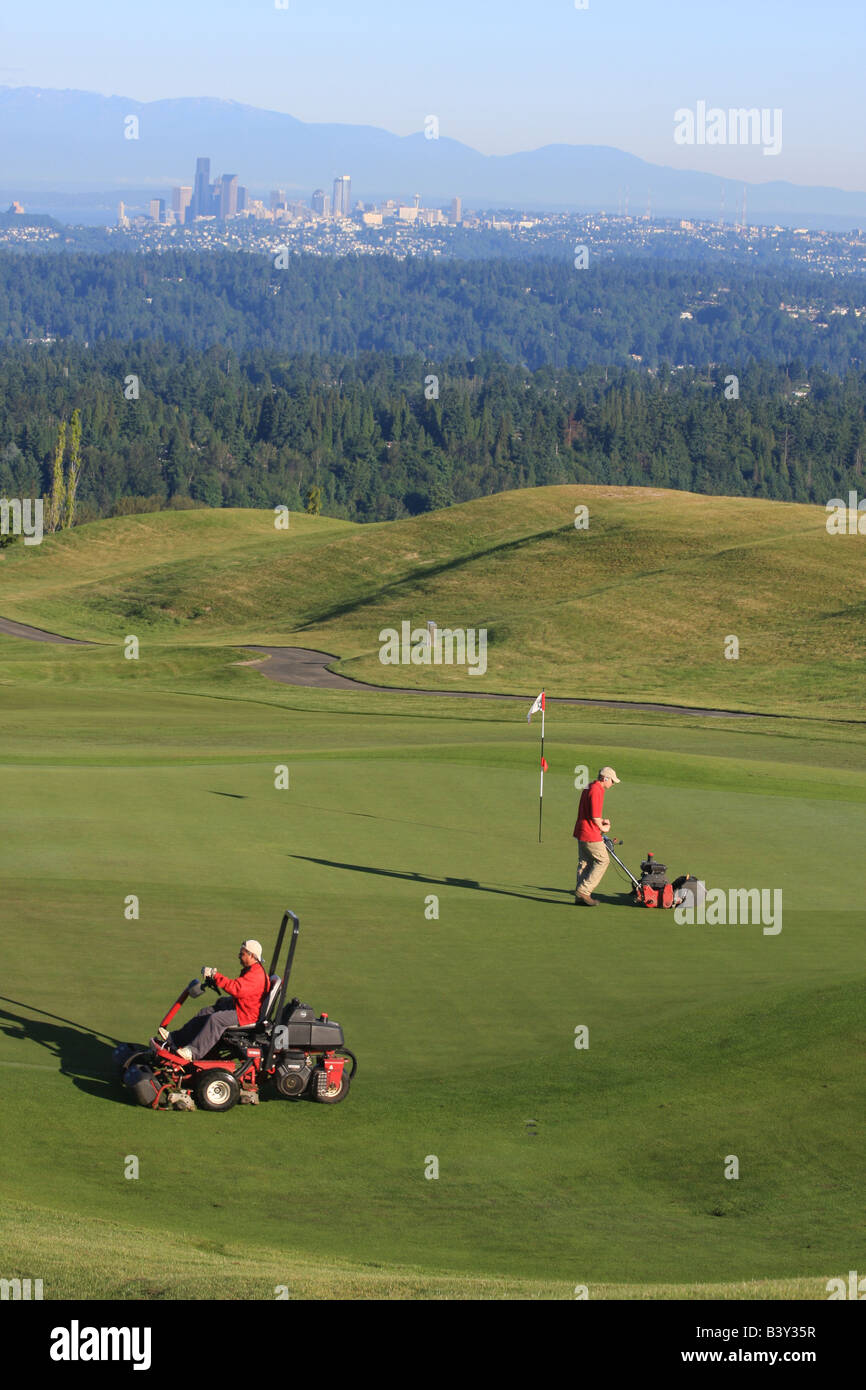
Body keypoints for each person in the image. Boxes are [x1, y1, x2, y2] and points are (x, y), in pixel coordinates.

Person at [159, 940, 270, 1060]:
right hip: (242, 1007)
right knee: (206, 1011)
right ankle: (176, 1039)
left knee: (216, 1020)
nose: (239, 956)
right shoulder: (252, 970)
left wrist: (215, 975)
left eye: (242, 954)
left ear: (252, 955)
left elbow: (236, 988)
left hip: (247, 1014)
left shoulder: (256, 975)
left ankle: (194, 1052)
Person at [573, 766, 620, 906]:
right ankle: (584, 891)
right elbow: (594, 816)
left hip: (581, 830)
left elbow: (591, 813)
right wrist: (603, 827)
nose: (613, 784)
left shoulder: (589, 786)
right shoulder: (597, 790)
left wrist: (601, 821)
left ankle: (579, 897)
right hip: (590, 833)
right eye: (612, 781)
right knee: (603, 860)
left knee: (585, 862)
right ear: (605, 778)